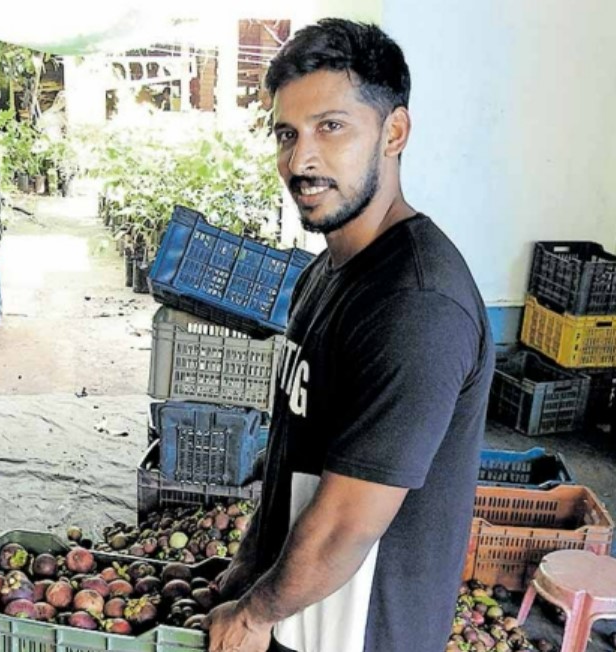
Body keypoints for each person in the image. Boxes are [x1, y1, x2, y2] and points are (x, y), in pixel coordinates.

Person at [205, 19, 494, 652]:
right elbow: (294, 450)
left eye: (331, 127)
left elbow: (346, 524)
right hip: (302, 615)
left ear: (394, 132)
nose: (301, 159)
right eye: (288, 133)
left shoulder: (418, 306)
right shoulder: (329, 268)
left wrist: (253, 614)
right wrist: (250, 568)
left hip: (360, 634)